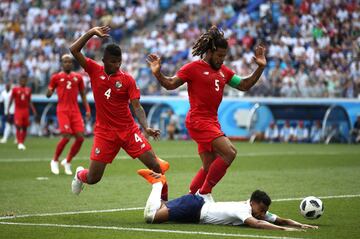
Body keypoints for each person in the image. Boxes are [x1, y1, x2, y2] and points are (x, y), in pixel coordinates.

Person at [147, 26, 266, 201]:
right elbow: (170, 84)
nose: (221, 60)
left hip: (211, 122)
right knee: (230, 153)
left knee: (209, 166)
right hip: (198, 121)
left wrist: (260, 68)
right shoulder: (193, 68)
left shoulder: (224, 71)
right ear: (209, 52)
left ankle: (190, 198)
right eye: (219, 56)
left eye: (224, 57)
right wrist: (158, 73)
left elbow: (244, 85)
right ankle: (204, 194)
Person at [69, 26, 169, 198]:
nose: (117, 65)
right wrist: (92, 32)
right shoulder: (94, 70)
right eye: (113, 62)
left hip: (128, 131)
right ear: (104, 60)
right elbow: (74, 49)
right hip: (105, 133)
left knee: (156, 166)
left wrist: (146, 127)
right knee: (93, 178)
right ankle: (80, 175)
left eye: (119, 61)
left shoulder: (127, 79)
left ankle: (165, 203)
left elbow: (137, 106)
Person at [137, 169, 319, 231]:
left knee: (160, 207)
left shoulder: (254, 209)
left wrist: (301, 225)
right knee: (151, 218)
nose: (262, 214)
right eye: (261, 210)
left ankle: (161, 176)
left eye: (263, 211)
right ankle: (158, 182)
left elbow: (279, 218)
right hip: (194, 208)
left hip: (197, 209)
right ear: (253, 202)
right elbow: (257, 224)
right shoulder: (243, 211)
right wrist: (282, 230)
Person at [46, 54, 91, 175]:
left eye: (69, 62)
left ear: (72, 64)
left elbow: (83, 95)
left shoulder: (78, 77)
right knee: (66, 136)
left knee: (80, 138)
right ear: (61, 64)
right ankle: (55, 160)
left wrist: (87, 109)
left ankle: (68, 161)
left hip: (75, 110)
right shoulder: (55, 77)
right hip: (62, 110)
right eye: (65, 62)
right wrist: (49, 92)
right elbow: (48, 93)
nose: (67, 64)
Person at [8, 75, 37, 150]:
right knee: (18, 126)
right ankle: (19, 142)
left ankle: (22, 142)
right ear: (19, 81)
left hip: (25, 110)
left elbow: (29, 101)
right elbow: (11, 99)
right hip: (18, 110)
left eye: (24, 81)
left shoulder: (28, 90)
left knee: (24, 127)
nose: (23, 82)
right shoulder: (15, 89)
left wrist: (33, 110)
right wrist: (8, 109)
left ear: (26, 82)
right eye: (22, 81)